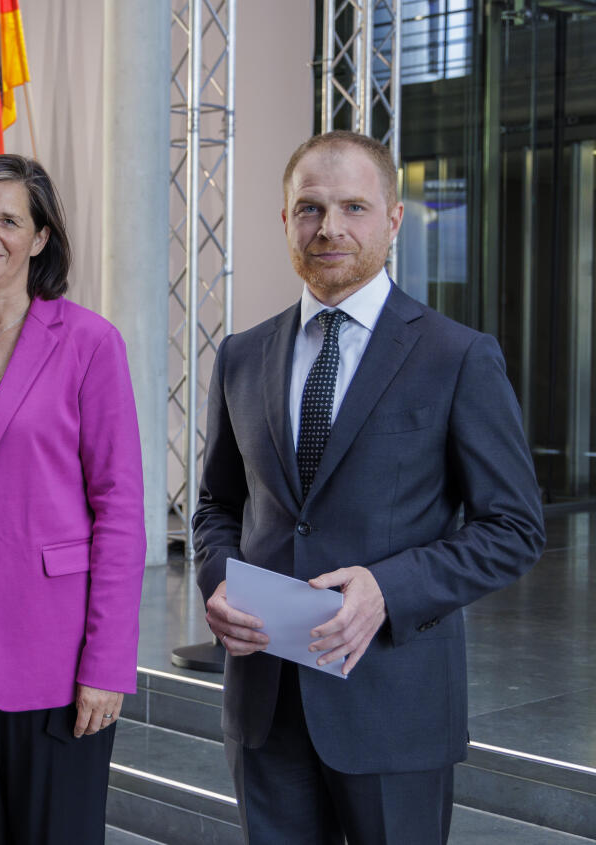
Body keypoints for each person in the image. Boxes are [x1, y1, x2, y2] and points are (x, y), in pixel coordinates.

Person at [193, 130, 546, 844]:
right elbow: (217, 506)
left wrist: (388, 587)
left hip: (395, 705)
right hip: (266, 706)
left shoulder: (457, 355)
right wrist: (216, 580)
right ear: (285, 220)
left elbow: (514, 527)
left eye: (354, 206)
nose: (329, 228)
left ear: (392, 219)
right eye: (309, 208)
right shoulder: (241, 356)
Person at [0, 154, 146, 844]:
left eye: (10, 219)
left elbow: (121, 512)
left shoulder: (89, 344)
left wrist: (106, 663)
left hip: (56, 654)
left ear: (40, 237)